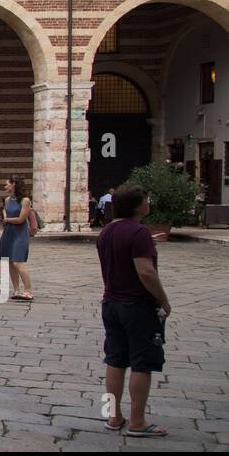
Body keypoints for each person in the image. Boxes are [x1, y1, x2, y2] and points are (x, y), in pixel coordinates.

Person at [97, 183, 171, 437]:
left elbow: (121, 248)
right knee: (142, 363)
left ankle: (114, 416)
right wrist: (163, 299)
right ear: (138, 205)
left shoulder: (107, 231)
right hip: (137, 305)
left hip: (111, 303)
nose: (149, 203)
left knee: (115, 360)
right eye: (146, 199)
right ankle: (138, 422)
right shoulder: (138, 232)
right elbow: (145, 271)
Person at [0, 175, 34, 301]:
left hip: (19, 233)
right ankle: (16, 290)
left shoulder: (25, 200)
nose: (5, 186)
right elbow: (5, 210)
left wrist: (6, 219)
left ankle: (29, 290)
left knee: (18, 262)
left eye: (7, 184)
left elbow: (21, 219)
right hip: (8, 232)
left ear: (14, 184)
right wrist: (5, 215)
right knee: (10, 262)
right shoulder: (8, 200)